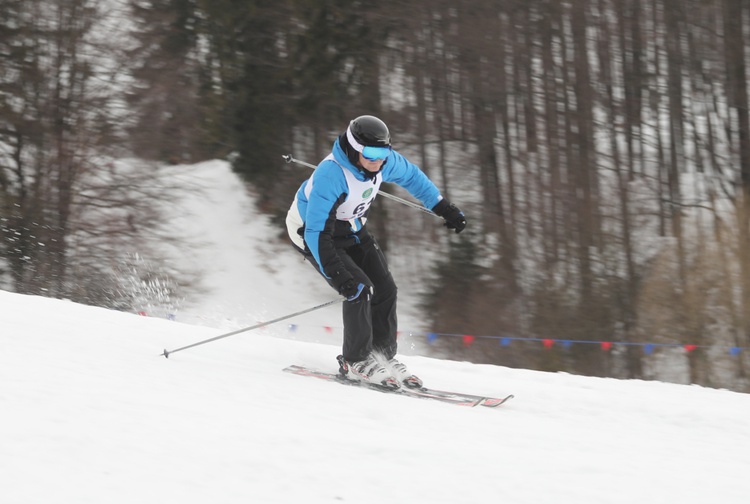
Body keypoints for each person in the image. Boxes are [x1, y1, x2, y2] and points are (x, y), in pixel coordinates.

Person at [285, 115, 466, 389]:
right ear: (355, 148)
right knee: (358, 289)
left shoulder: (383, 162)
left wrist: (443, 207)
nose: (377, 160)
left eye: (384, 152)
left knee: (386, 289)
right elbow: (316, 233)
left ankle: (381, 354)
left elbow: (413, 178)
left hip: (353, 228)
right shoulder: (331, 175)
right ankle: (355, 360)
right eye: (370, 153)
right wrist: (339, 276)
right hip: (312, 231)